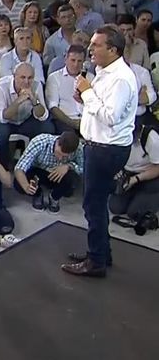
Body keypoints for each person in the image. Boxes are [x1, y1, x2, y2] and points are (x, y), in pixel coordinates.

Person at [61, 27, 138, 277]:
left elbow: (110, 116)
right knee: (96, 204)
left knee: (92, 205)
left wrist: (87, 92)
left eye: (96, 45)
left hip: (107, 150)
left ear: (113, 50)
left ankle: (96, 262)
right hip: (99, 146)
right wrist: (85, 97)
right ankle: (102, 252)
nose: (90, 49)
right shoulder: (104, 72)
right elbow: (100, 107)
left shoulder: (120, 78)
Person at [0, 62, 55, 165]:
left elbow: (43, 116)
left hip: (24, 120)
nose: (27, 82)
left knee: (47, 127)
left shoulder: (36, 85)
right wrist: (19, 101)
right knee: (1, 131)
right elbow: (2, 117)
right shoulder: (1, 86)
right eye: (22, 77)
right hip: (0, 121)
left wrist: (34, 100)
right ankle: (2, 166)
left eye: (30, 78)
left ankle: (39, 164)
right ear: (14, 77)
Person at [14, 132, 84, 213]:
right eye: (59, 153)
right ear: (57, 143)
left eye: (65, 157)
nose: (60, 158)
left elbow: (83, 168)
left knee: (72, 180)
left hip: (59, 175)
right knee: (19, 184)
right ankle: (38, 194)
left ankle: (54, 197)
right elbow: (19, 168)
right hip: (39, 172)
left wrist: (68, 166)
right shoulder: (40, 142)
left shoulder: (78, 148)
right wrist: (26, 187)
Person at [108, 120, 159, 225]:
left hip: (149, 175)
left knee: (135, 213)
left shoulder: (152, 139)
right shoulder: (117, 136)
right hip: (128, 172)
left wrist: (136, 179)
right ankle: (135, 196)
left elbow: (157, 167)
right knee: (115, 208)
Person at [46, 45, 89, 133]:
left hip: (87, 121)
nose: (76, 64)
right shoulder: (54, 78)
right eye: (73, 60)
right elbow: (53, 107)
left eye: (79, 61)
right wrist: (71, 122)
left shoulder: (90, 78)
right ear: (66, 59)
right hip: (64, 121)